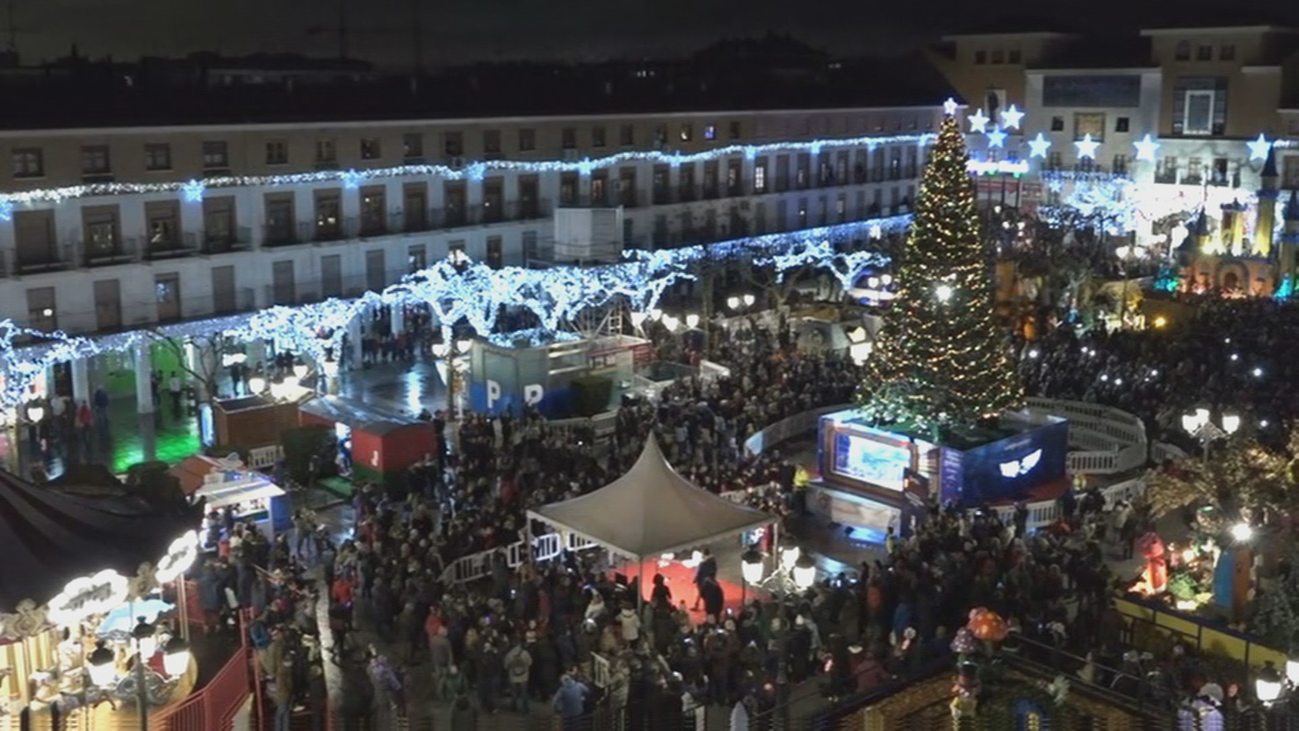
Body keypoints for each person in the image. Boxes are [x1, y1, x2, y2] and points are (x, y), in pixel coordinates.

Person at [504, 639, 533, 714]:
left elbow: (506, 666)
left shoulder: (509, 654)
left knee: (514, 693)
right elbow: (530, 662)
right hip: (524, 676)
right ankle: (525, 708)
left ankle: (514, 707)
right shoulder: (525, 653)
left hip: (513, 676)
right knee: (524, 693)